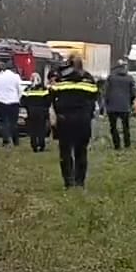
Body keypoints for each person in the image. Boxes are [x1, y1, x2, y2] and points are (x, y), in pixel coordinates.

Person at [50, 58, 101, 188]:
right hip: (83, 120)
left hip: (65, 120)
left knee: (65, 151)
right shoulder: (89, 79)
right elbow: (95, 97)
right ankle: (80, 181)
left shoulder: (60, 79)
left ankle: (68, 181)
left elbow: (51, 96)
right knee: (81, 151)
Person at [102, 62, 136, 149]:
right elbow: (133, 93)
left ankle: (117, 144)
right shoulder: (129, 78)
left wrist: (106, 103)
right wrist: (130, 102)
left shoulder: (110, 78)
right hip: (125, 106)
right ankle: (127, 144)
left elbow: (105, 92)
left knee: (113, 126)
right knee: (126, 126)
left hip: (112, 106)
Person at [0, 62, 24, 146]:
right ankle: (15, 140)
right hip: (13, 102)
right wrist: (18, 98)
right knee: (13, 122)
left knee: (4, 121)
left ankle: (5, 140)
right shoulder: (16, 77)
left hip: (1, 102)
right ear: (13, 69)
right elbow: (20, 89)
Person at [20, 76, 52, 152]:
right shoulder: (44, 89)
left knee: (33, 129)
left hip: (31, 111)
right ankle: (41, 144)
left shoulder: (27, 89)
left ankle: (34, 145)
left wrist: (28, 107)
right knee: (41, 129)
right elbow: (48, 100)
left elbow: (22, 102)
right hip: (41, 112)